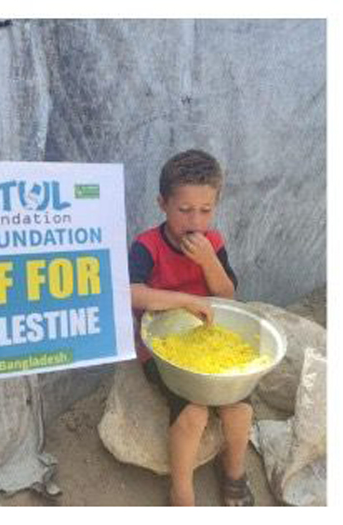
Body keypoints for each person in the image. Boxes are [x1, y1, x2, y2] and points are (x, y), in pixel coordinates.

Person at [129, 150, 249, 506]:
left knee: (240, 410)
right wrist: (184, 300)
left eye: (206, 210)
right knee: (194, 414)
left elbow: (227, 296)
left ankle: (234, 472)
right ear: (162, 204)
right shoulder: (147, 246)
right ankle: (181, 492)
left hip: (208, 343)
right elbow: (130, 293)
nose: (196, 221)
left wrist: (209, 261)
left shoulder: (214, 243)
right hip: (163, 350)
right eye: (184, 210)